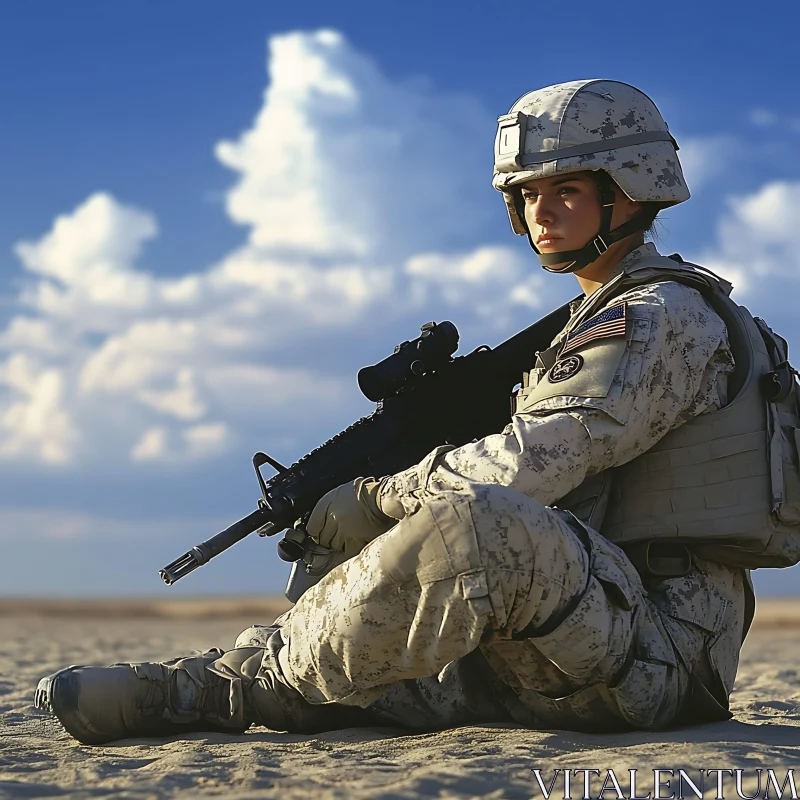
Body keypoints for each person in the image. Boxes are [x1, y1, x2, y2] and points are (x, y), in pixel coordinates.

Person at [36, 79, 800, 745]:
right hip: (561, 643)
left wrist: (374, 497)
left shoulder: (658, 317)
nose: (542, 212)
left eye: (566, 189)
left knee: (481, 521)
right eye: (528, 193)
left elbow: (532, 469)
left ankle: (222, 691)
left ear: (634, 187)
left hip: (658, 651)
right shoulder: (591, 321)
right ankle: (240, 678)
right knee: (375, 539)